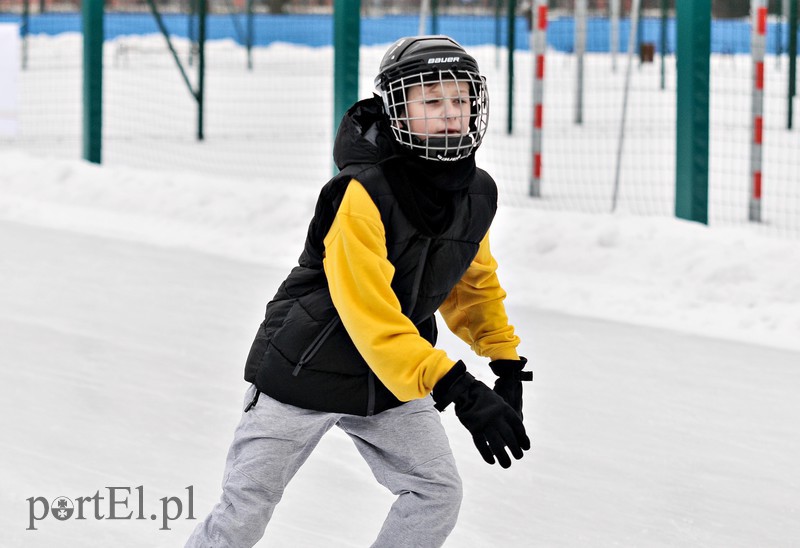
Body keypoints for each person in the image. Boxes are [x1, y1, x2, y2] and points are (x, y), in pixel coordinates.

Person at [186, 35, 533, 548]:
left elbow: (473, 285)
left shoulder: (475, 191)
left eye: (460, 99)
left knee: (436, 491)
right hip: (303, 373)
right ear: (398, 109)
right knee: (246, 508)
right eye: (432, 101)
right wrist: (456, 386)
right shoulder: (361, 192)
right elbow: (368, 315)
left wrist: (504, 363)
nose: (450, 114)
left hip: (390, 378)